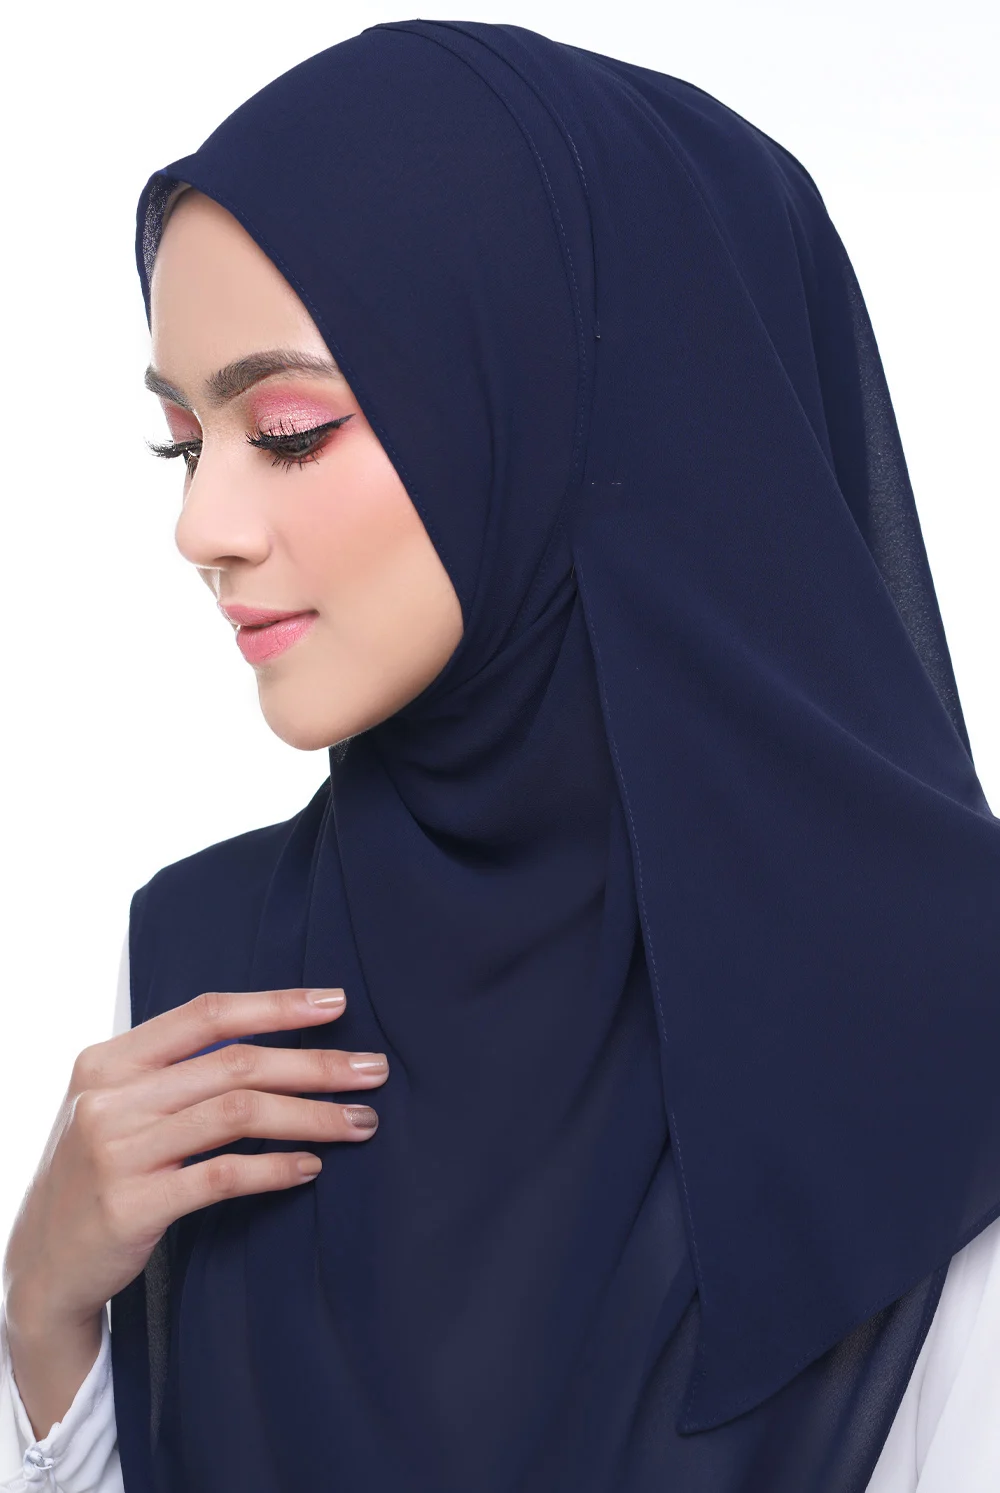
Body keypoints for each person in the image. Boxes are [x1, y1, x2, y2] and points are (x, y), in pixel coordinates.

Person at [2, 18, 1000, 1493]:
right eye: (182, 443)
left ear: (553, 410)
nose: (201, 527)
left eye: (289, 430)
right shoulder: (208, 993)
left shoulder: (949, 1021)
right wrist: (45, 1315)